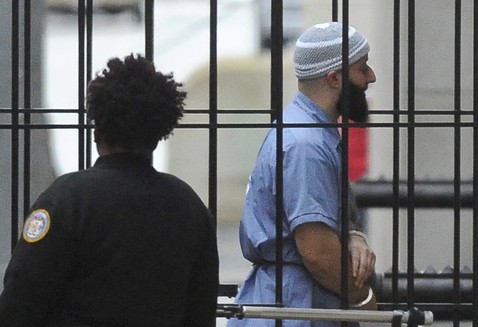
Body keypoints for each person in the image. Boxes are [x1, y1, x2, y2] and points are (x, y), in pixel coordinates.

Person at [0, 54, 219, 326]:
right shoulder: (190, 208)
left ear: (96, 131)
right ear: (159, 134)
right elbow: (200, 311)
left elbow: (20, 301)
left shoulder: (66, 200)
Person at [228, 22, 377, 327]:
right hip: (297, 309)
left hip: (289, 301)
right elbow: (317, 252)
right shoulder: (306, 144)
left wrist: (353, 236)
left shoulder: (306, 130)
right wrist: (363, 299)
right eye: (362, 69)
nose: (371, 77)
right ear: (334, 78)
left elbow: (329, 214)